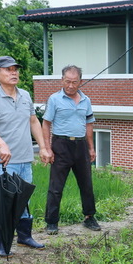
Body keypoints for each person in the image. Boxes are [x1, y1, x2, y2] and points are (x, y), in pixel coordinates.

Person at [0, 56, 52, 255]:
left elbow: (33, 122)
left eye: (15, 69)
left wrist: (44, 147)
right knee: (2, 204)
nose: (13, 73)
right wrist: (2, 145)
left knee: (24, 201)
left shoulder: (25, 95)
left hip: (25, 160)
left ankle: (24, 237)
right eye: (7, 69)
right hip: (4, 163)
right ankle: (2, 245)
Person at [42, 65, 101, 234]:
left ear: (80, 82)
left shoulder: (86, 100)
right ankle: (51, 222)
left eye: (74, 82)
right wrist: (47, 148)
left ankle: (89, 217)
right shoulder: (54, 99)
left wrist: (91, 148)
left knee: (86, 184)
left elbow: (89, 124)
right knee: (56, 186)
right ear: (62, 80)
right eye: (67, 81)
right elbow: (46, 124)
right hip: (61, 145)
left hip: (81, 146)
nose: (70, 85)